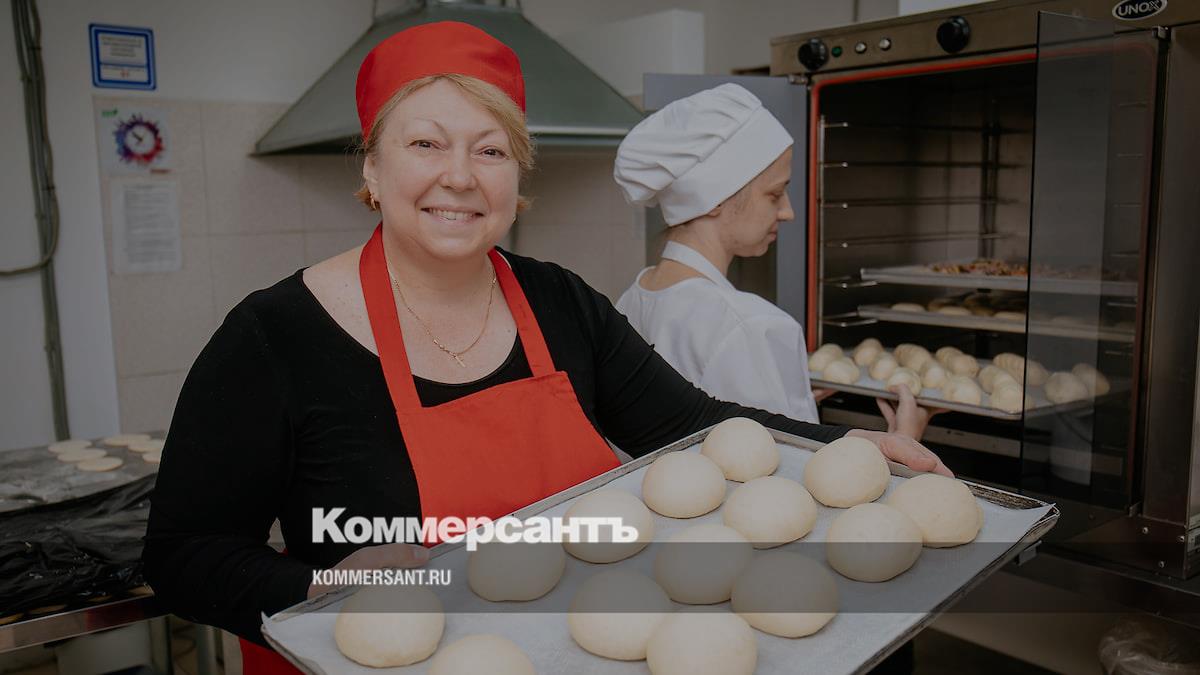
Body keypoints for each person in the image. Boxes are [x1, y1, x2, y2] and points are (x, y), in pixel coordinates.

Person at [142, 23, 949, 674]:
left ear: (516, 178)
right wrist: (324, 580)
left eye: (490, 149)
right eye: (426, 143)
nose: (461, 176)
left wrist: (843, 444)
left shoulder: (559, 302)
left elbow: (695, 423)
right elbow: (183, 555)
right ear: (373, 167)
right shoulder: (275, 336)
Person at [613, 84, 943, 440]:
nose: (788, 212)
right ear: (714, 199)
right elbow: (793, 468)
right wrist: (904, 442)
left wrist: (787, 392)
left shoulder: (629, 301)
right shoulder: (751, 326)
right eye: (774, 194)